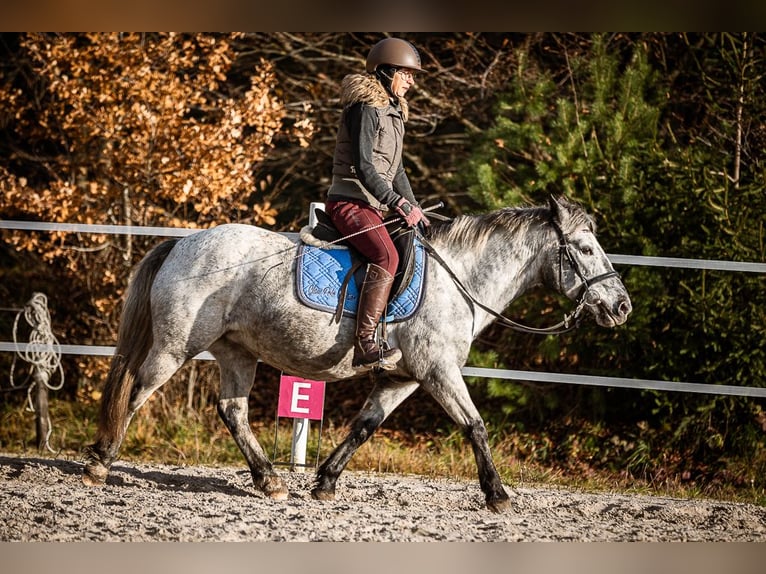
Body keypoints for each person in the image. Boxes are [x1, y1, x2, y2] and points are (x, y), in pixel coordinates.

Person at [326, 37, 430, 372]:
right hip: (349, 201)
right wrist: (397, 202)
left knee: (411, 242)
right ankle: (365, 343)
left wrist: (416, 210)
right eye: (406, 74)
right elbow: (365, 165)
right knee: (387, 255)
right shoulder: (364, 109)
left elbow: (396, 169)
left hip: (375, 204)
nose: (411, 81)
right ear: (386, 72)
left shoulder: (393, 113)